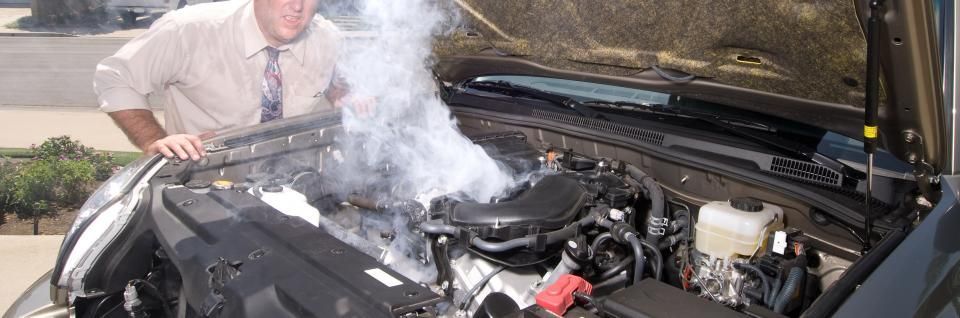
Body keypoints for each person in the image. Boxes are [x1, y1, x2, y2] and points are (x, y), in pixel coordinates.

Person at [94, 0, 349, 161]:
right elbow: (116, 78)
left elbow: (337, 85)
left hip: (300, 183)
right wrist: (153, 140)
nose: (297, 6)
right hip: (207, 182)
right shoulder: (189, 29)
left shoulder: (326, 38)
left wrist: (344, 97)